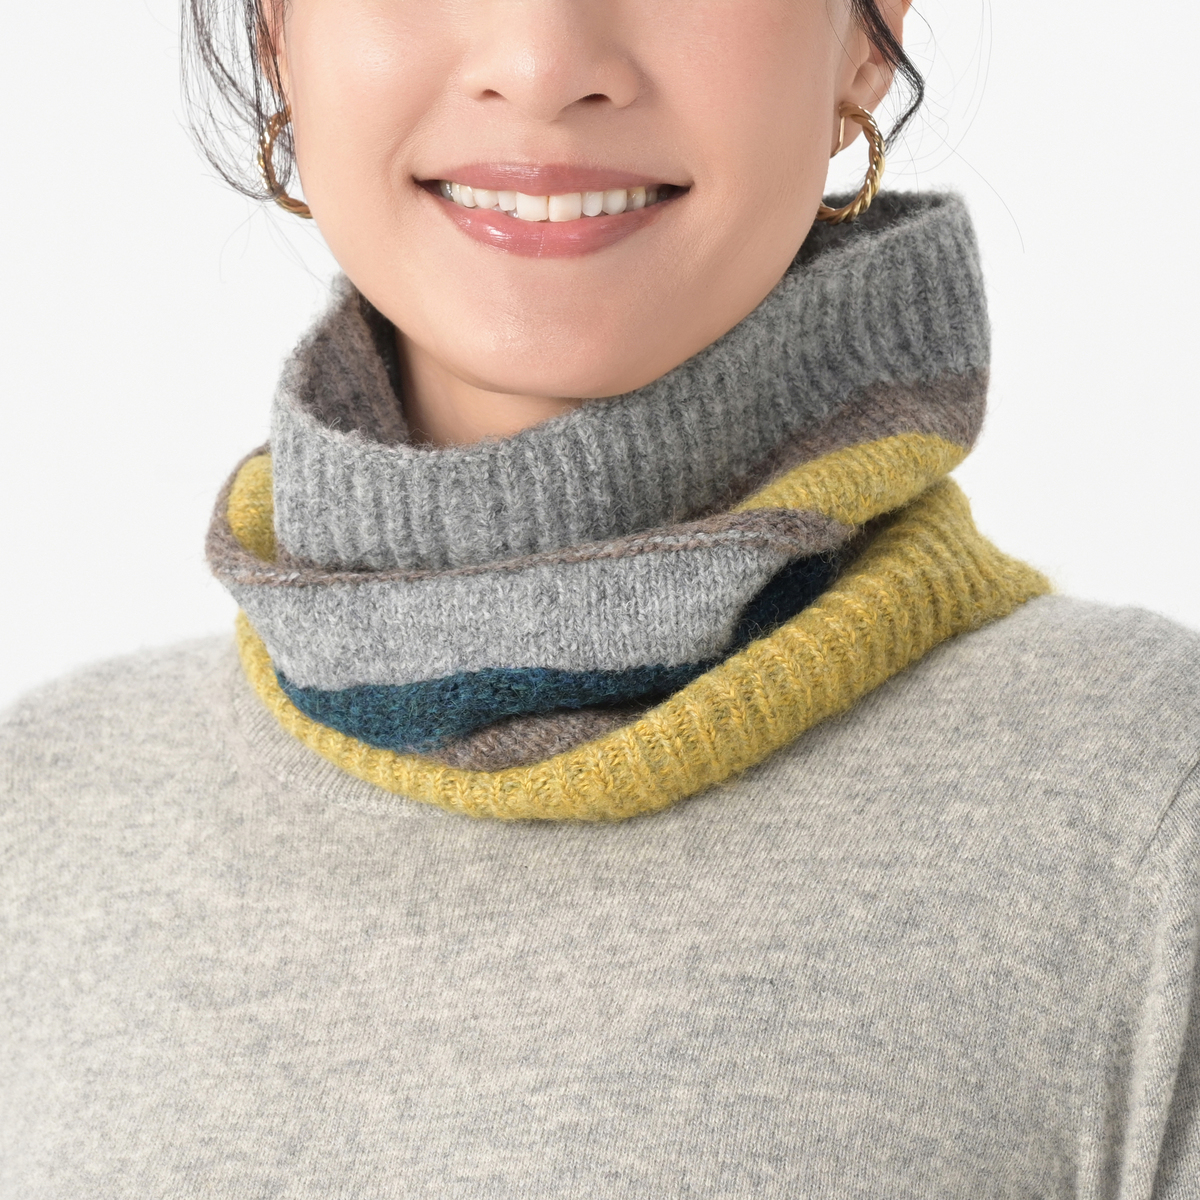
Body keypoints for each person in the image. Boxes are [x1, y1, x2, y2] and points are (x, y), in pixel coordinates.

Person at [3, 0, 1198, 1193]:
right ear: (276, 29)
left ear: (868, 33)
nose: (540, 63)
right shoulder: (41, 813)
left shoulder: (1147, 817)